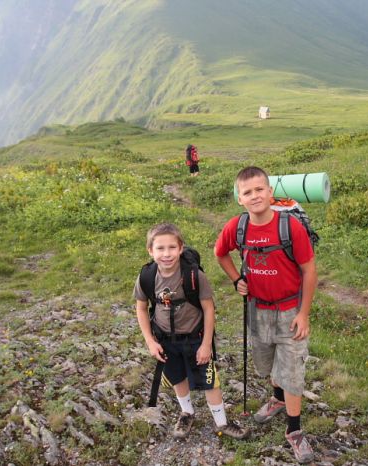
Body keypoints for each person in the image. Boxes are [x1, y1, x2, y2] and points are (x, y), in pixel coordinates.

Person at [215, 166, 317, 463]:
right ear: (239, 199)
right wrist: (237, 279)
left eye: (260, 189)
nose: (255, 195)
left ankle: (294, 431)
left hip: (289, 311)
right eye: (247, 192)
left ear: (270, 192)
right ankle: (277, 399)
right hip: (257, 309)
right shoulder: (237, 227)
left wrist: (304, 314)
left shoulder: (290, 227)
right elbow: (220, 253)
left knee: (293, 371)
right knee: (268, 362)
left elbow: (310, 271)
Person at [134, 223, 248, 440]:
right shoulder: (146, 277)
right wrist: (150, 341)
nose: (166, 254)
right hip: (165, 339)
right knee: (177, 377)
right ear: (150, 250)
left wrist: (206, 344)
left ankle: (221, 422)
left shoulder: (194, 275)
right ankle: (187, 413)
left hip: (195, 338)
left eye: (171, 248)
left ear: (180, 248)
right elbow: (141, 308)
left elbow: (208, 307)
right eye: (160, 248)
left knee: (209, 380)